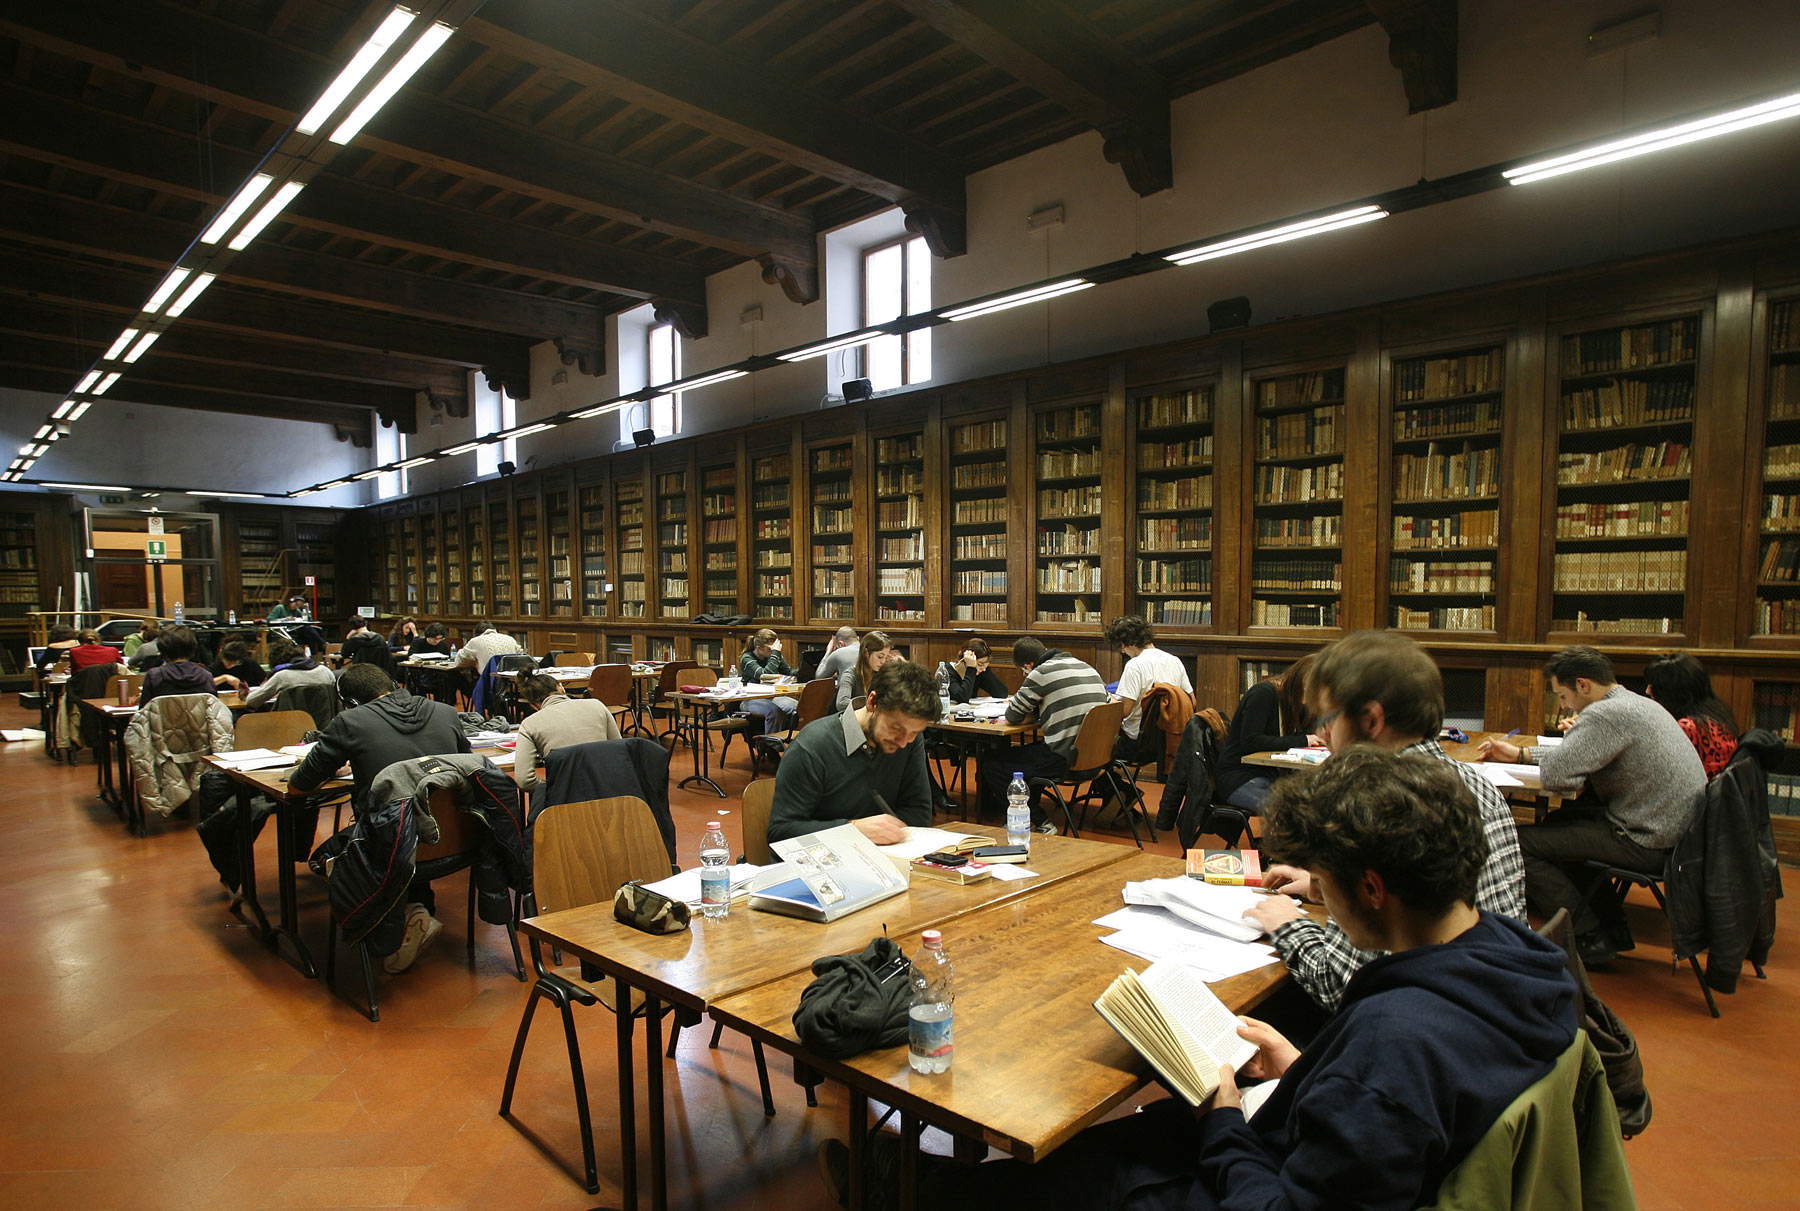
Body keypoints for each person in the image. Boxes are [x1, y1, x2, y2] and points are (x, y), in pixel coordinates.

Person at [821, 747, 1582, 1211]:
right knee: (1128, 1134)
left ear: (1374, 889)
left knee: (1101, 1169)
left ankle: (923, 1196)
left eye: (1326, 880)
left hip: (1259, 1184)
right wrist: (1306, 1067)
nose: (1315, 894)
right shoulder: (1514, 957)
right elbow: (1394, 1111)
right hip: (1314, 1143)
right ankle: (922, 1184)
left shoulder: (1399, 1043)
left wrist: (1224, 1114)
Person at [1245, 630, 1527, 1013]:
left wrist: (1285, 924)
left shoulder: (1375, 807)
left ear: (1371, 719)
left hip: (1422, 1015)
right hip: (1496, 996)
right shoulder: (1473, 779)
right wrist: (1328, 884)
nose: (1323, 735)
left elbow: (1341, 985)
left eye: (1327, 718)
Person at [1478, 645, 1706, 968]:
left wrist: (1540, 756)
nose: (1563, 706)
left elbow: (1561, 777)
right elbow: (1576, 758)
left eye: (1562, 696)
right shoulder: (1633, 702)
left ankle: (1587, 935)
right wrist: (1520, 755)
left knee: (1517, 843)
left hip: (1646, 838)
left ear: (1583, 685)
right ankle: (1611, 929)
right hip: (1673, 834)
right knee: (1560, 825)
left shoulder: (1604, 714)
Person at [289, 663, 471, 973]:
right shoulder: (444, 711)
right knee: (406, 818)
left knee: (323, 859)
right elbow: (464, 764)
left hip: (391, 848)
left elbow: (299, 785)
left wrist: (342, 763)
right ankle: (415, 909)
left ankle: (395, 923)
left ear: (352, 702)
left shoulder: (350, 721)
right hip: (452, 843)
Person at [767, 660, 937, 844]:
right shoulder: (813, 746)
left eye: (914, 733)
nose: (904, 742)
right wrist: (853, 830)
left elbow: (919, 812)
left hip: (884, 858)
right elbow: (781, 831)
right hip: (818, 863)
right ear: (872, 702)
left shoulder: (909, 741)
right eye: (896, 728)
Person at [977, 637, 1108, 830]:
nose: (1025, 675)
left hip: (1064, 758)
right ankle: (1026, 809)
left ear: (1028, 665)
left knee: (991, 763)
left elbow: (1012, 716)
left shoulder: (1041, 672)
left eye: (1023, 672)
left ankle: (1039, 820)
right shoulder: (1085, 666)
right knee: (1027, 756)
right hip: (1097, 757)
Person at [1213, 655, 1319, 813]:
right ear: (1300, 682)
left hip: (1272, 776)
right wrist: (1303, 740)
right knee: (1296, 813)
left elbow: (1307, 733)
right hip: (1239, 777)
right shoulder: (1264, 694)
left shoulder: (1293, 700)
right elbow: (1251, 741)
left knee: (1319, 805)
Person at [510, 672, 621, 792]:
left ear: (533, 706)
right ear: (561, 687)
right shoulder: (597, 705)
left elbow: (524, 781)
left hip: (565, 801)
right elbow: (620, 752)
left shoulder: (529, 724)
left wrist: (554, 788)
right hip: (611, 791)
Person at [1104, 616, 1193, 765]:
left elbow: (1125, 711)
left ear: (1129, 642)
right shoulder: (1174, 660)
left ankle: (1109, 785)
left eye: (1122, 646)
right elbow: (1191, 700)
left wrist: (1109, 699)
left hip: (1136, 744)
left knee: (1095, 739)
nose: (1122, 651)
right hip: (1167, 740)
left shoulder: (1135, 665)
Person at [1644, 651, 1739, 778]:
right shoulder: (1718, 715)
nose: (1647, 690)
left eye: (1655, 686)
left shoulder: (1688, 728)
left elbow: (1659, 774)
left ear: (1674, 692)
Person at [243, 639, 337, 710]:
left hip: (289, 728)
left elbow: (251, 702)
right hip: (324, 726)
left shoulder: (282, 676)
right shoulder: (325, 671)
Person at [136, 624, 216, 706]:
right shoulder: (205, 675)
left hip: (164, 719)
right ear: (193, 648)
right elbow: (213, 710)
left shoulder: (154, 676)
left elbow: (144, 711)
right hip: (200, 719)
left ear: (162, 649)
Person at [738, 627, 800, 734]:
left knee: (797, 707)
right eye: (770, 649)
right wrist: (776, 653)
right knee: (773, 711)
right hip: (749, 698)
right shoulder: (747, 659)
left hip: (770, 696)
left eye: (774, 649)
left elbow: (788, 672)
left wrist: (805, 670)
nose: (772, 652)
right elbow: (765, 674)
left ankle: (789, 738)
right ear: (758, 647)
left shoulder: (773, 656)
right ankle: (770, 745)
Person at [835, 629, 899, 713]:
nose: (883, 661)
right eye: (880, 657)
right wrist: (870, 704)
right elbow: (841, 703)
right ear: (866, 653)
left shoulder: (882, 673)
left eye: (886, 657)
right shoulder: (850, 675)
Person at [937, 637, 1007, 703]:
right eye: (980, 664)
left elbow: (1001, 693)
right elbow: (962, 697)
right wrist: (971, 668)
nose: (984, 669)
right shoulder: (947, 672)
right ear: (965, 660)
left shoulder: (980, 672)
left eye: (985, 665)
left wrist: (984, 668)